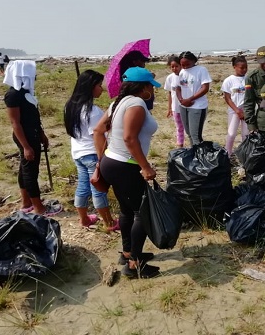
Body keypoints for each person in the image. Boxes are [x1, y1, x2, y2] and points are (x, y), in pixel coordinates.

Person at [93, 66, 161, 279]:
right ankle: (134, 265)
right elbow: (130, 138)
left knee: (126, 211)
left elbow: (98, 131)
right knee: (142, 212)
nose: (153, 90)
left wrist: (102, 160)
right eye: (151, 86)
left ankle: (127, 253)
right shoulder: (136, 104)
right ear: (143, 87)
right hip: (126, 165)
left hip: (112, 162)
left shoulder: (117, 103)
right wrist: (145, 167)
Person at [4, 60, 63, 217]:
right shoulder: (13, 95)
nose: (35, 76)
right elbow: (15, 123)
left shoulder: (26, 92)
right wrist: (26, 146)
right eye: (32, 73)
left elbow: (34, 117)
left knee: (25, 169)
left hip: (34, 134)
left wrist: (42, 133)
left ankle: (27, 203)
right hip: (25, 137)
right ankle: (39, 208)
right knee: (31, 171)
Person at [64, 69, 118, 230]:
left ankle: (84, 219)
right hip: (92, 153)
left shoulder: (70, 106)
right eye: (99, 85)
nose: (102, 89)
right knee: (98, 188)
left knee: (83, 185)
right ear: (90, 87)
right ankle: (109, 222)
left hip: (78, 152)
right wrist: (102, 158)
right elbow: (98, 135)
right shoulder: (92, 111)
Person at [175, 51, 212, 146]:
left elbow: (205, 88)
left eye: (187, 64)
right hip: (183, 106)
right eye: (182, 65)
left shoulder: (201, 70)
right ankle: (194, 152)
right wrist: (181, 100)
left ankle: (199, 154)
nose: (185, 67)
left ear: (193, 61)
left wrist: (190, 99)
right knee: (189, 134)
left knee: (195, 135)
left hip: (197, 106)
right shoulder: (182, 72)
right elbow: (178, 88)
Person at [222, 55, 249, 155]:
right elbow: (227, 98)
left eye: (246, 67)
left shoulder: (248, 79)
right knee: (231, 133)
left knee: (246, 134)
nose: (244, 70)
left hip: (246, 110)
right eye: (241, 68)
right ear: (235, 67)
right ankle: (227, 154)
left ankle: (245, 154)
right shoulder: (229, 80)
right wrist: (237, 110)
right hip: (234, 110)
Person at [164, 55, 184, 148]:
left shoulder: (185, 76)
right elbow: (170, 93)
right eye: (172, 67)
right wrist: (169, 108)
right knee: (179, 127)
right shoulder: (170, 78)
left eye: (176, 66)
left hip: (186, 106)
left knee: (189, 128)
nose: (174, 68)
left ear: (181, 65)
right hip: (175, 107)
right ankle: (180, 145)